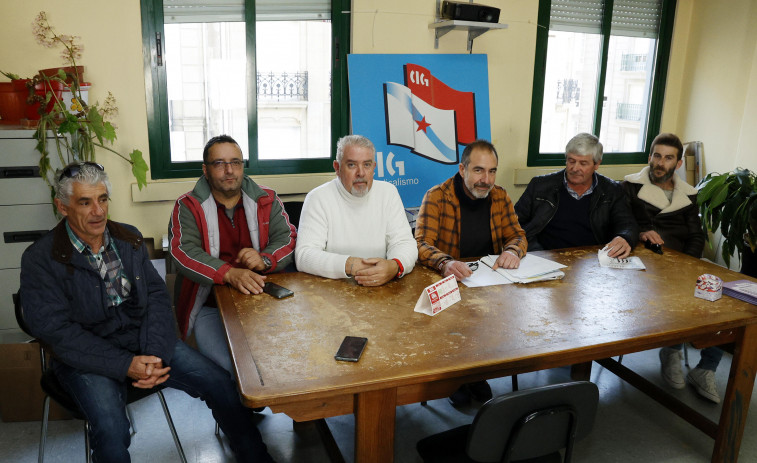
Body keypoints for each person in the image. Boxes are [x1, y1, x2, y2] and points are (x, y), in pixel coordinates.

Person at [19, 162, 274, 463]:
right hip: (85, 356)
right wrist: (126, 364)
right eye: (84, 202)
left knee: (221, 384)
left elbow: (155, 298)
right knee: (112, 429)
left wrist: (153, 353)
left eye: (102, 199)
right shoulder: (41, 258)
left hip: (141, 341)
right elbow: (58, 333)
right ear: (61, 207)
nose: (98, 211)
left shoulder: (128, 238)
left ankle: (256, 457)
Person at [169, 134, 296, 374]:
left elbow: (288, 238)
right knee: (236, 371)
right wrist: (229, 274)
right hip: (211, 307)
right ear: (205, 170)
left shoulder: (267, 199)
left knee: (288, 359)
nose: (229, 170)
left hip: (263, 301)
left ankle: (304, 411)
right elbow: (184, 252)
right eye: (219, 163)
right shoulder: (187, 206)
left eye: (235, 162)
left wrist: (265, 258)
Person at [415, 139, 528, 406]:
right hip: (448, 284)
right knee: (456, 323)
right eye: (478, 170)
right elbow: (420, 244)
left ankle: (476, 373)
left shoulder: (500, 196)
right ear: (462, 169)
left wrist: (512, 251)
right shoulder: (437, 196)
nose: (485, 180)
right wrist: (445, 262)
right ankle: (455, 377)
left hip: (488, 282)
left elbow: (518, 235)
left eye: (491, 171)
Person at [622, 132, 721, 403]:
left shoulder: (689, 195)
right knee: (677, 295)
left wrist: (687, 265)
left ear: (678, 163)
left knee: (718, 298)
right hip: (646, 263)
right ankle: (672, 350)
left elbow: (697, 235)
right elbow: (623, 223)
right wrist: (642, 231)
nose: (660, 163)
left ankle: (706, 368)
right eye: (656, 155)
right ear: (650, 156)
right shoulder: (630, 186)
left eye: (668, 158)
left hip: (684, 261)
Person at [295, 134, 417, 285]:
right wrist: (350, 265)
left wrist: (395, 266)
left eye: (367, 164)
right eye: (352, 165)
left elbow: (404, 242)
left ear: (374, 168)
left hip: (381, 287)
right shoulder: (318, 197)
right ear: (337, 168)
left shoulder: (388, 192)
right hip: (332, 291)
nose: (361, 173)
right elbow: (304, 255)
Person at [514, 132, 638, 258]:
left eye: (583, 163)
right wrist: (537, 252)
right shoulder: (539, 186)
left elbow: (627, 224)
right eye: (571, 161)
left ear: (597, 164)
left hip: (592, 261)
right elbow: (514, 223)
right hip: (544, 257)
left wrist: (624, 237)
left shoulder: (612, 190)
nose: (574, 168)